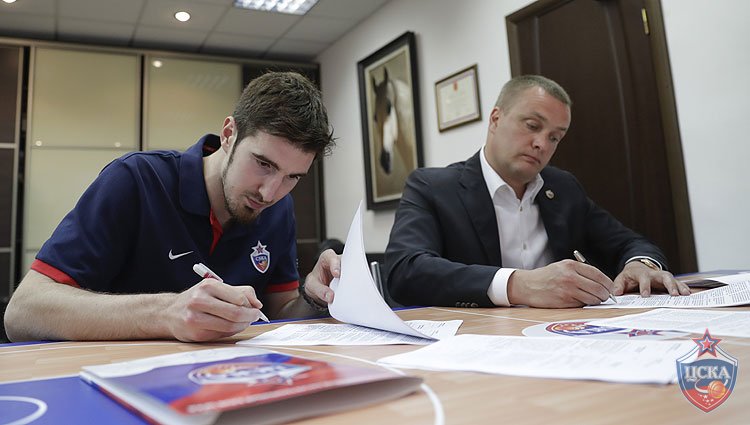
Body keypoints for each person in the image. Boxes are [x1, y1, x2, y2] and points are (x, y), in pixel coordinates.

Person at [5, 71, 339, 342]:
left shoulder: (279, 210)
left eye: (292, 177)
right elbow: (23, 312)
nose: (270, 192)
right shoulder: (136, 179)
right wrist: (166, 313)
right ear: (228, 134)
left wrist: (311, 295)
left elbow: (278, 314)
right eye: (263, 164)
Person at [385, 75, 691, 308]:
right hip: (476, 341)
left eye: (555, 137)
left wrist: (641, 264)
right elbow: (404, 271)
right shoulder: (433, 187)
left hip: (562, 338)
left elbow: (630, 242)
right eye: (532, 125)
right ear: (495, 119)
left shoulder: (563, 187)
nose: (542, 144)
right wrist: (518, 285)